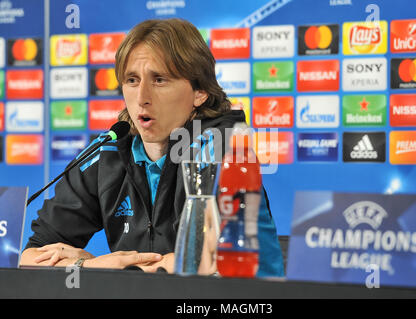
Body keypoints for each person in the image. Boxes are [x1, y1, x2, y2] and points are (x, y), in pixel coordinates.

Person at [20, 18, 284, 277]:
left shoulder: (224, 150)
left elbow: (219, 266)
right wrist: (89, 267)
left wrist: (116, 268)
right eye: (132, 80)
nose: (142, 98)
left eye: (159, 80)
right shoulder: (106, 154)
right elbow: (31, 257)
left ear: (199, 92)